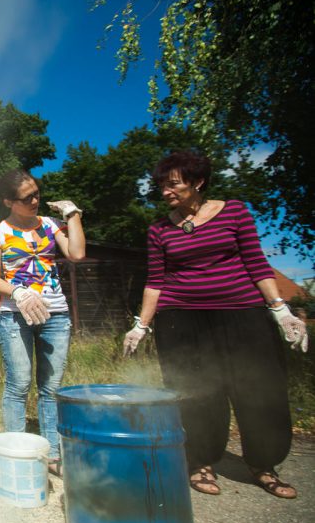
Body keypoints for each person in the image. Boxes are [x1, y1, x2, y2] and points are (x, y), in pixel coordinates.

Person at [124, 150, 308, 499]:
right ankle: (201, 461)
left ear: (198, 182)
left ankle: (263, 464)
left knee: (258, 388)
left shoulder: (233, 212)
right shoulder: (160, 229)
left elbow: (256, 263)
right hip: (180, 319)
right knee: (195, 392)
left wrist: (280, 309)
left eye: (173, 184)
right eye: (162, 186)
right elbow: (156, 281)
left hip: (242, 314)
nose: (166, 192)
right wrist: (141, 325)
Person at [0, 168, 86, 477]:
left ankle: (52, 454)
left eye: (37, 193)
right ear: (8, 202)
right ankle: (16, 453)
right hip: (14, 315)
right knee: (19, 384)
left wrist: (73, 214)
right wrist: (18, 291)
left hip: (55, 314)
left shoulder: (52, 225)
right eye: (27, 198)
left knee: (51, 388)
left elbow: (77, 253)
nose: (35, 201)